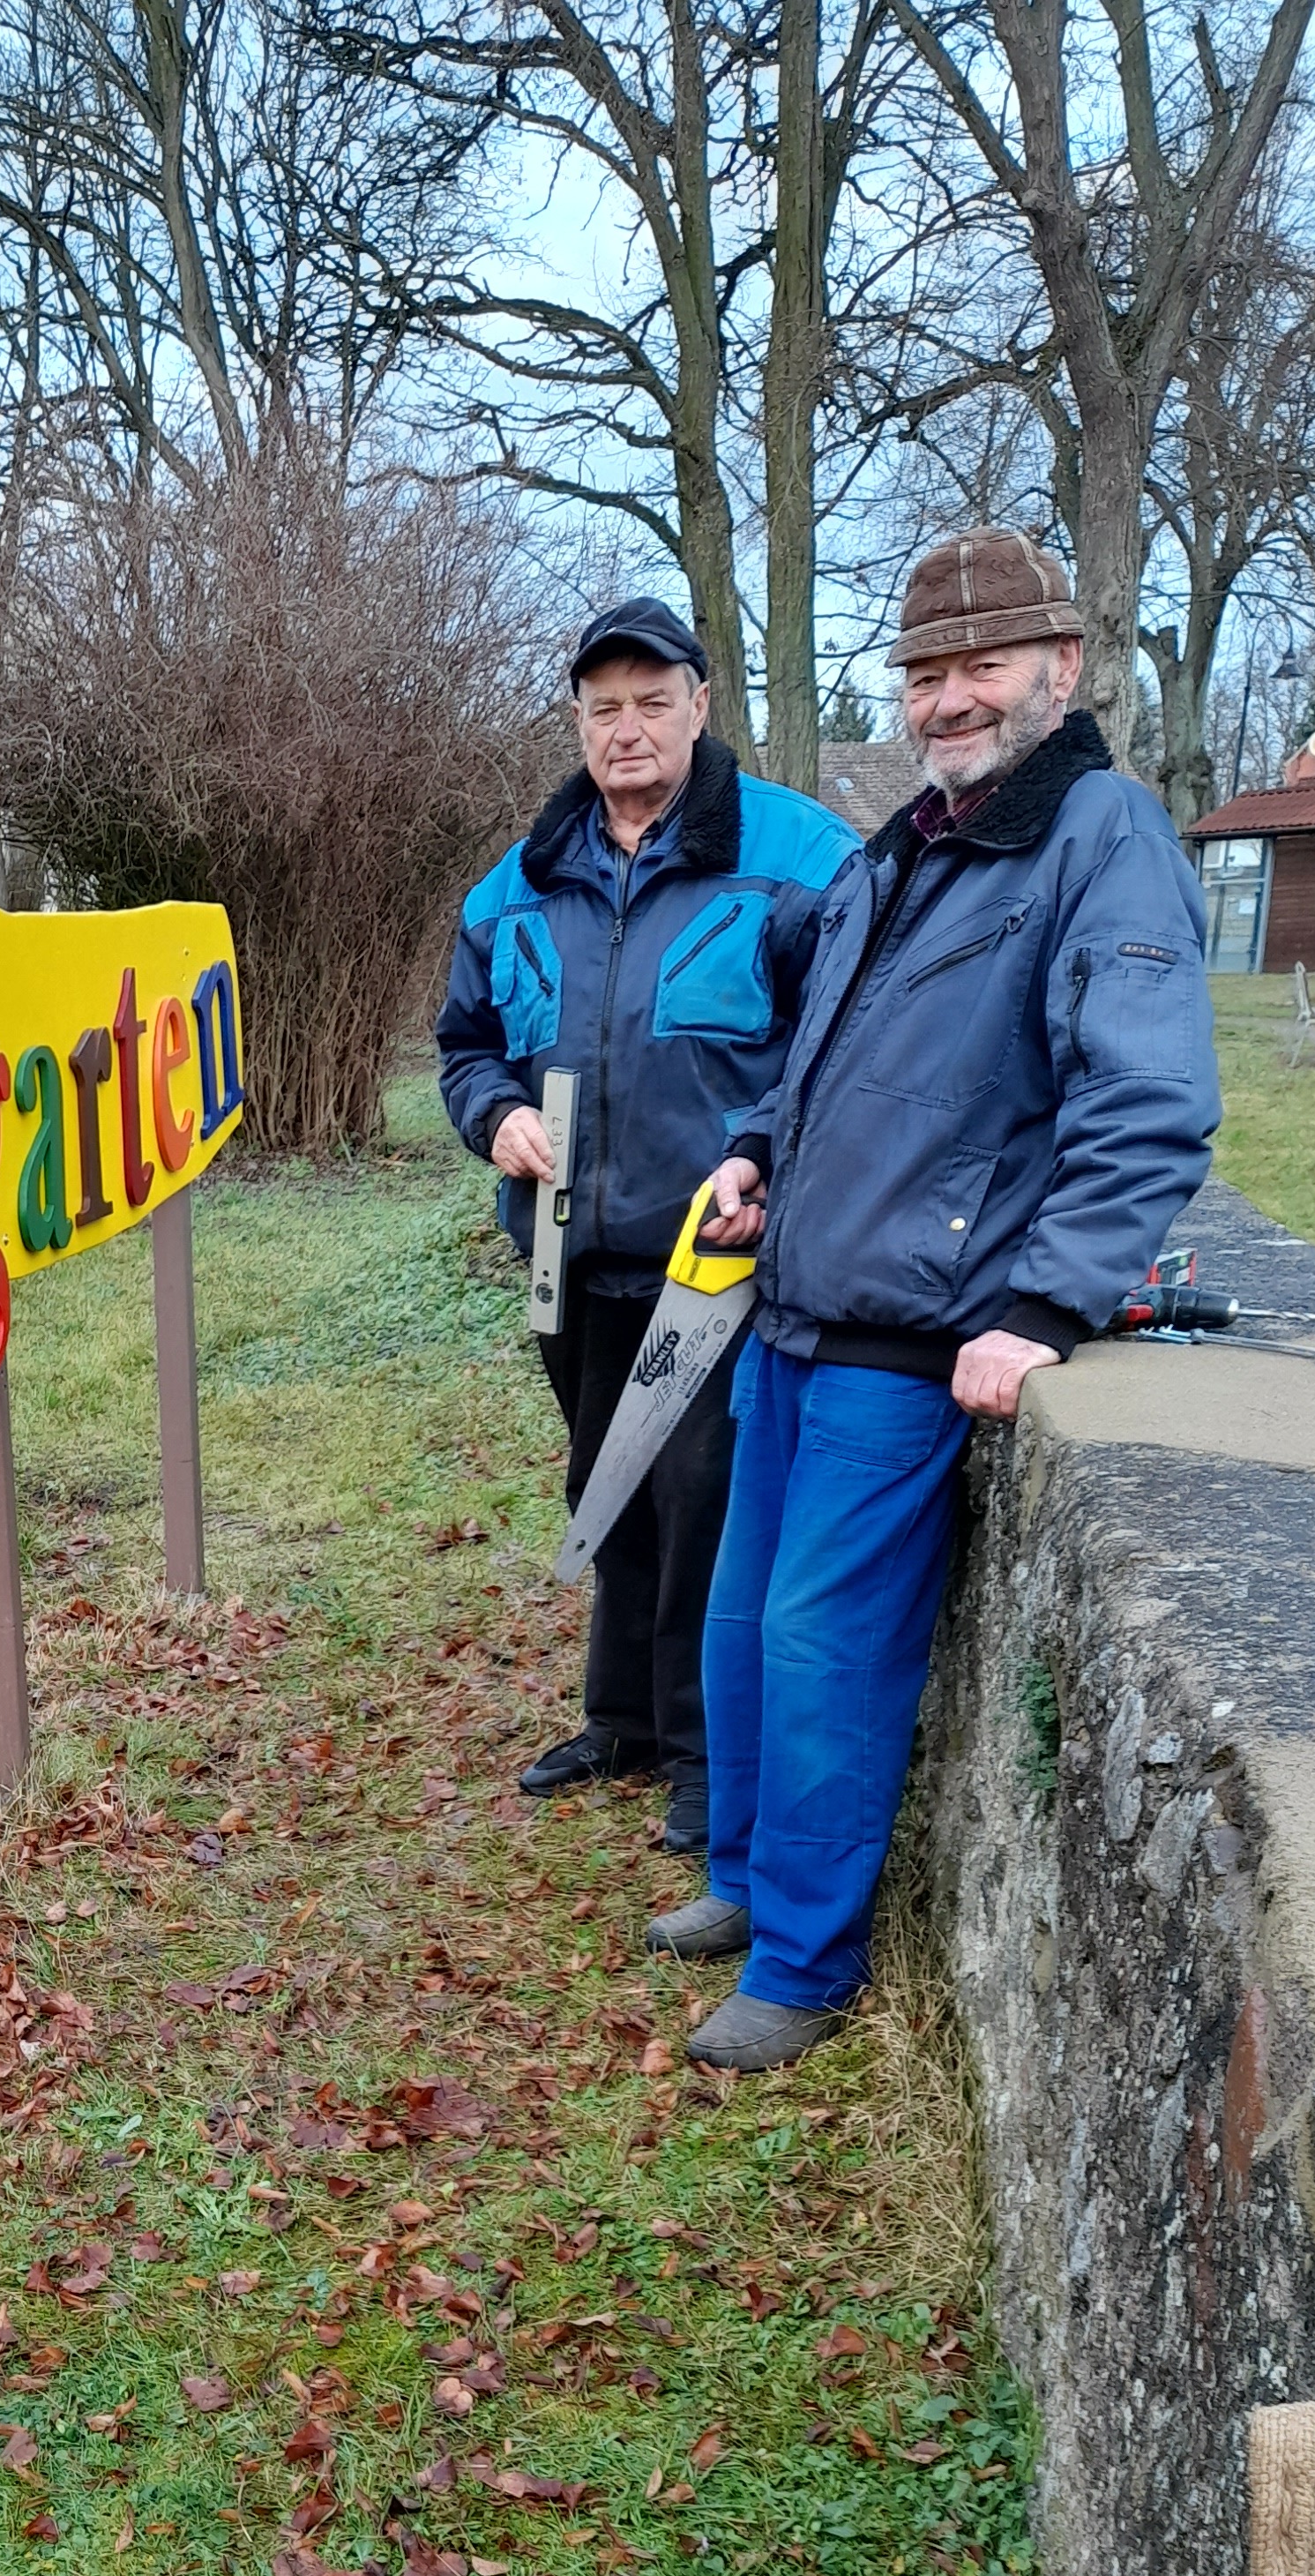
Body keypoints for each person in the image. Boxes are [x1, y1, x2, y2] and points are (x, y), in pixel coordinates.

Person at [651, 528, 1222, 2068]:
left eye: (983, 665)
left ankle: (804, 1966)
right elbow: (817, 1052)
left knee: (824, 1650)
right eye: (925, 673)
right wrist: (758, 1148)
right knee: (742, 1625)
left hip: (910, 1339)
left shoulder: (1102, 837)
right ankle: (744, 1881)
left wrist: (1045, 1306)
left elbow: (1150, 1101)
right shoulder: (909, 841)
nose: (949, 698)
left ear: (1062, 667)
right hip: (793, 1311)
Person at [437, 597, 858, 1848]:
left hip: (715, 1255)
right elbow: (464, 1045)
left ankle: (703, 1753)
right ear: (578, 719)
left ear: (700, 705)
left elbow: (841, 1041)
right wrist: (497, 1113)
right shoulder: (518, 881)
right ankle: (618, 1719)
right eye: (603, 708)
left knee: (701, 1501)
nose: (627, 729)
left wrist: (760, 1152)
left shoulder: (802, 857)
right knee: (603, 1482)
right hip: (566, 1251)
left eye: (652, 703)